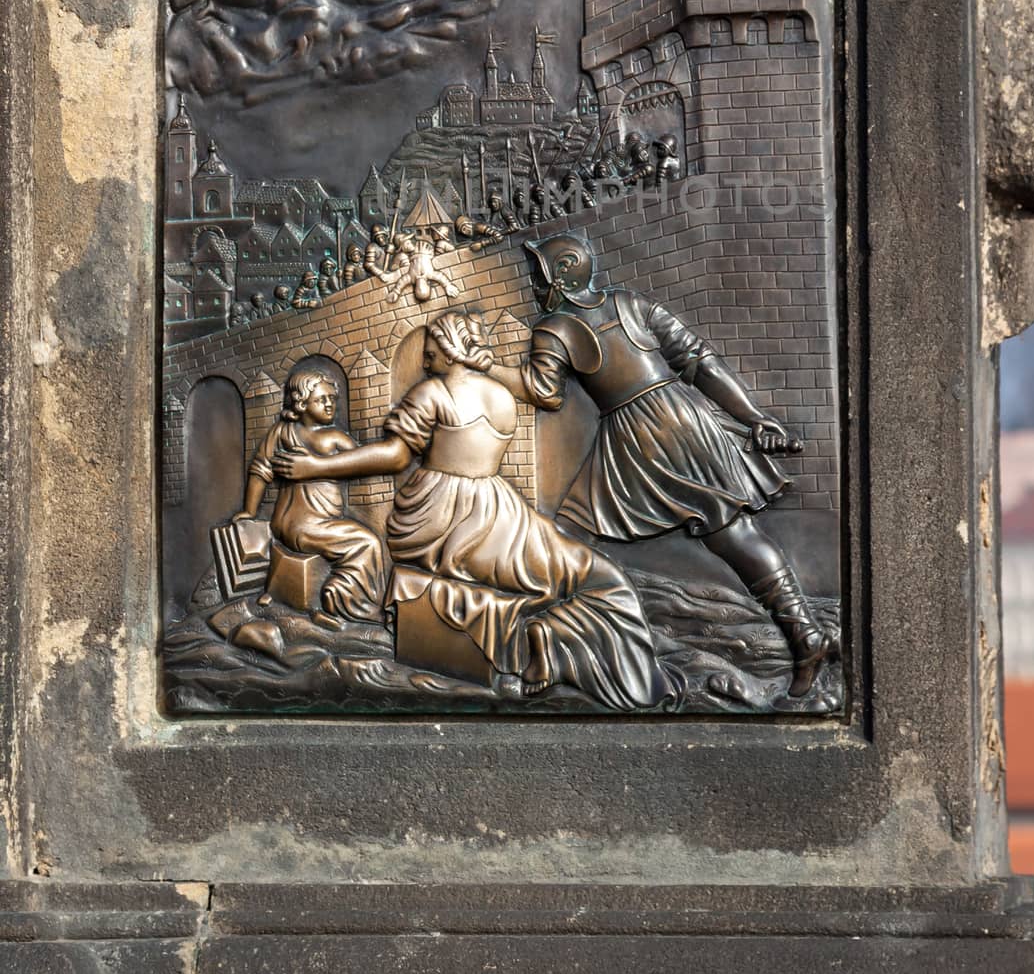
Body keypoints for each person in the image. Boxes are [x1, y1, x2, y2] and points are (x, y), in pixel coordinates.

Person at [271, 308, 672, 711]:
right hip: (501, 513)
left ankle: (542, 636)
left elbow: (394, 457)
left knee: (569, 574)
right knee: (597, 576)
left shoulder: (432, 393)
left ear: (449, 350)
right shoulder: (502, 395)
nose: (425, 362)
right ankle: (550, 635)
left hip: (436, 520)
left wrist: (315, 466)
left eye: (430, 353)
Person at [494, 233, 834, 699]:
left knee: (571, 534)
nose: (534, 284)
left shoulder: (556, 328)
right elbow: (701, 362)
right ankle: (804, 634)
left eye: (540, 273)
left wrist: (483, 366)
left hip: (642, 435)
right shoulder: (631, 303)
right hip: (687, 417)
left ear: (563, 273)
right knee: (735, 535)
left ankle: (570, 651)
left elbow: (544, 391)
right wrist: (752, 417)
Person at [234, 370, 385, 628]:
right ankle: (340, 602)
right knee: (367, 543)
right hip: (311, 526)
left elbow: (261, 469)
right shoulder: (332, 438)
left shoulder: (281, 432)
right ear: (301, 404)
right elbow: (364, 461)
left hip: (284, 526)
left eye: (332, 398)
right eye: (321, 399)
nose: (329, 404)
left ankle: (283, 593)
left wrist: (250, 511)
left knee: (357, 540)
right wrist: (247, 512)